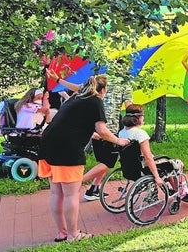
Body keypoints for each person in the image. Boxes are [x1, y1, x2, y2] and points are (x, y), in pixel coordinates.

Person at [37, 75, 130, 243]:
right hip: (67, 149)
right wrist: (118, 140)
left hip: (48, 143)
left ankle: (62, 233)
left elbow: (72, 123)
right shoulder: (96, 100)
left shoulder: (77, 97)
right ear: (103, 90)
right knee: (72, 194)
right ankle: (73, 235)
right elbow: (102, 129)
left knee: (56, 192)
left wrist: (90, 134)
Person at [46, 68, 133, 201]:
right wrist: (136, 115)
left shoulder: (96, 82)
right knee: (108, 163)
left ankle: (94, 189)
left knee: (103, 161)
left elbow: (77, 88)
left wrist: (58, 80)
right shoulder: (125, 85)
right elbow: (129, 107)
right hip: (108, 130)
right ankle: (79, 182)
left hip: (91, 129)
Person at [118, 104, 164, 186]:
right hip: (143, 167)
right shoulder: (140, 134)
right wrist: (157, 177)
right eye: (143, 116)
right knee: (174, 164)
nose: (144, 118)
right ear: (138, 118)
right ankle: (178, 191)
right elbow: (148, 157)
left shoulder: (121, 133)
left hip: (129, 167)